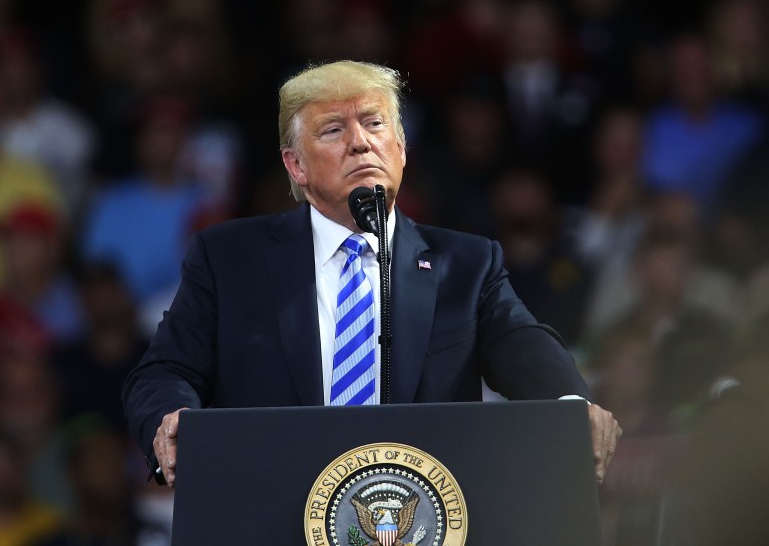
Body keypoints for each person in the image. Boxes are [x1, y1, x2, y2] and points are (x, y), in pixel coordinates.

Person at [122, 60, 620, 489]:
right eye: (334, 130)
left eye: (374, 124)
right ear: (295, 166)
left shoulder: (465, 264)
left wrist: (569, 406)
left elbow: (524, 347)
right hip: (273, 507)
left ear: (401, 148)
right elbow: (165, 372)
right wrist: (171, 420)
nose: (360, 143)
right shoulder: (230, 258)